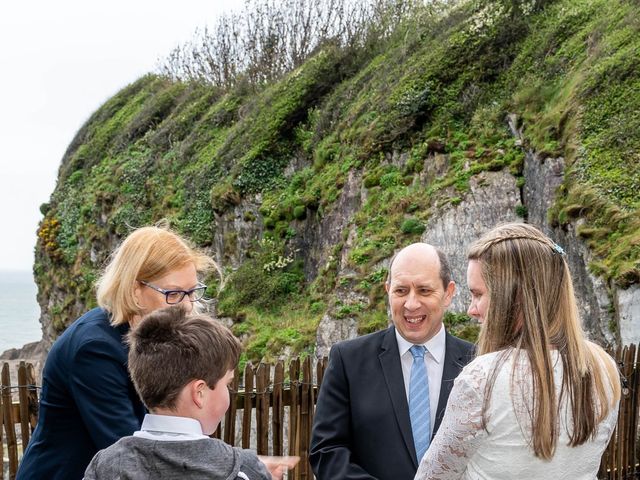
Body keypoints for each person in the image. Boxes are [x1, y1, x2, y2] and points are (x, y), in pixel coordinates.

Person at [415, 223, 621, 479]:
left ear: (515, 296)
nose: (471, 309)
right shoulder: (603, 367)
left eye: (478, 294)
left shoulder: (483, 378)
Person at [17, 224, 216, 480]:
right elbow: (128, 449)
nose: (188, 306)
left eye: (191, 292)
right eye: (174, 293)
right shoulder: (94, 350)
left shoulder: (155, 337)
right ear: (135, 290)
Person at [310, 243, 475, 480]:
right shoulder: (348, 361)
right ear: (388, 290)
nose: (411, 303)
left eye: (424, 291)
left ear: (448, 293)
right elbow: (326, 451)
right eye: (400, 291)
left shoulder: (477, 363)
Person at [84, 306, 298, 479]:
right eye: (227, 384)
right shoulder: (243, 469)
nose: (229, 394)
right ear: (200, 393)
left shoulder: (104, 466)